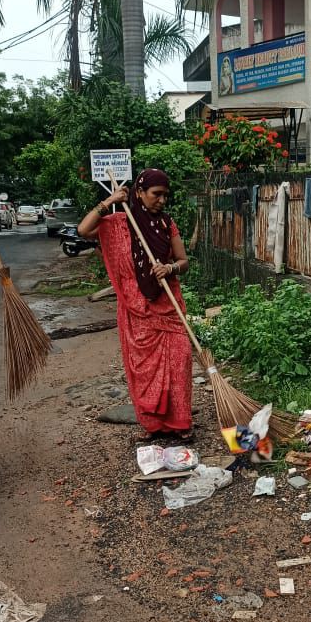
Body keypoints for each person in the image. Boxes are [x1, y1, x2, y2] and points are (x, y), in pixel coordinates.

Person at [78, 168, 193, 439]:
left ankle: (181, 424)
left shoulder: (166, 223)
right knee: (145, 371)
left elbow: (183, 261)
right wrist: (108, 202)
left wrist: (170, 268)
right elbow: (83, 230)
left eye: (166, 195)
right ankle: (153, 426)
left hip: (168, 305)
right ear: (139, 193)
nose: (162, 200)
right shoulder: (118, 222)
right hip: (136, 310)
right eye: (156, 194)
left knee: (180, 360)